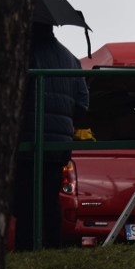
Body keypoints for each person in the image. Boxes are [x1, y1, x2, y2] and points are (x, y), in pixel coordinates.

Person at [13, 22, 89, 250]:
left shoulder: (25, 54)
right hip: (59, 145)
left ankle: (25, 249)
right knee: (49, 199)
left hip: (29, 141)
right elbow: (83, 105)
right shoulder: (71, 59)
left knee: (26, 201)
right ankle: (52, 247)